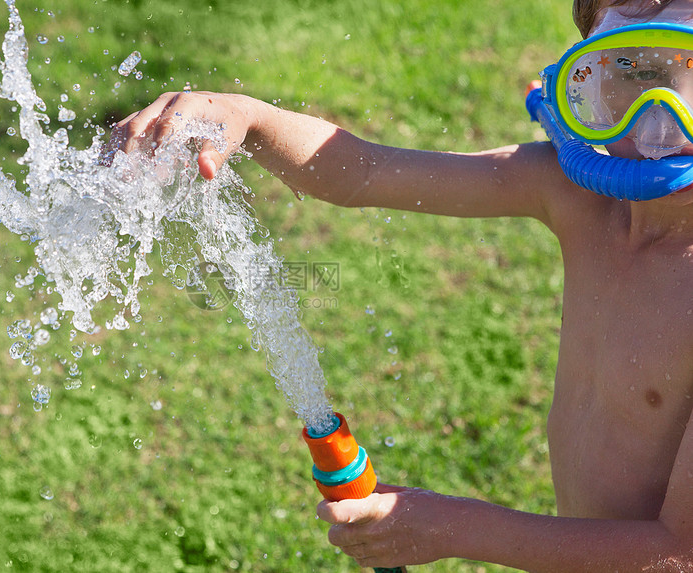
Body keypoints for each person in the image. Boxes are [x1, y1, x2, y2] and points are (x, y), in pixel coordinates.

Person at [100, 0, 693, 569]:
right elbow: (362, 171)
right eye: (634, 69)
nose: (662, 117)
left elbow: (679, 554)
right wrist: (246, 116)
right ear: (580, 78)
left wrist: (452, 526)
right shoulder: (576, 197)